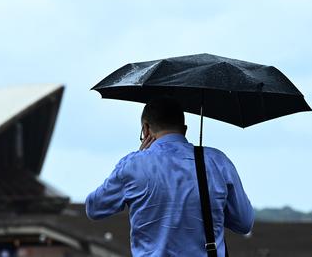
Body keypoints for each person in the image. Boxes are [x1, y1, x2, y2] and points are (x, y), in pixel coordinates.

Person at [85, 97, 254, 256]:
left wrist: (136, 158)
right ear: (184, 129)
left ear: (145, 129)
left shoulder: (133, 166)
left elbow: (94, 208)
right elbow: (244, 223)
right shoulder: (217, 161)